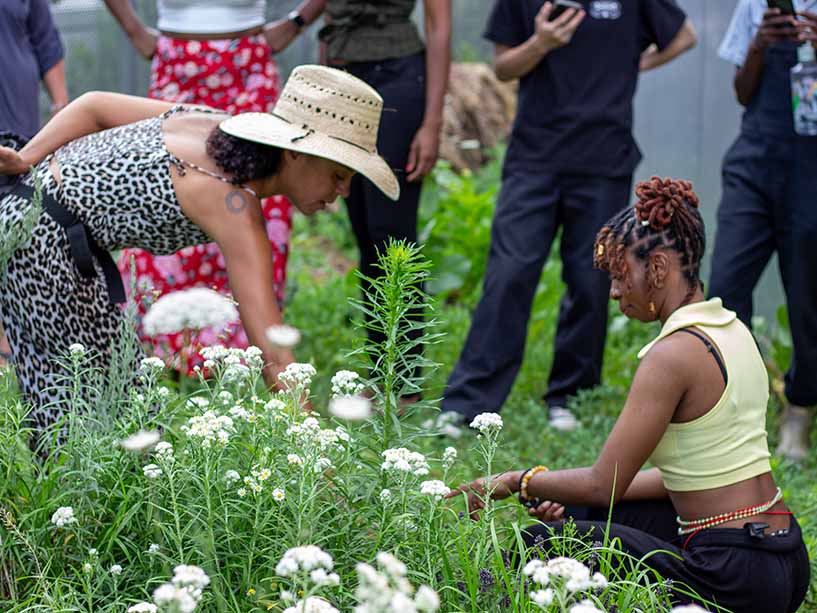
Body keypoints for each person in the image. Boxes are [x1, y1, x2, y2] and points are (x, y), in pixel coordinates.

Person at [448, 178, 810, 613]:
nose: (615, 293)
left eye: (621, 276)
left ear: (657, 268)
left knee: (538, 546)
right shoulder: (732, 330)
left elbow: (604, 483)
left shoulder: (671, 355)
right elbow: (680, 478)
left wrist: (514, 481)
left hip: (730, 578)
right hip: (783, 561)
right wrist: (570, 496)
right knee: (588, 516)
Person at [0, 65, 398, 441]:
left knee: (132, 410)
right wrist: (316, 454)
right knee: (73, 411)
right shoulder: (233, 205)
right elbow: (274, 355)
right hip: (35, 239)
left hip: (50, 233)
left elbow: (95, 106)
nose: (343, 191)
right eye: (339, 175)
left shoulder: (215, 129)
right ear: (294, 152)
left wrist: (27, 158)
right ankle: (61, 511)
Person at [439, 0, 697, 431]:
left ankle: (570, 397)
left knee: (590, 277)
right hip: (533, 160)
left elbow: (684, 36)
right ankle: (470, 403)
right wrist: (541, 43)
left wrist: (631, 67)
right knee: (509, 273)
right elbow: (503, 67)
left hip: (603, 161)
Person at [103, 0, 326, 374]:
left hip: (248, 65)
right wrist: (134, 30)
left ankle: (248, 354)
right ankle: (162, 355)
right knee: (169, 190)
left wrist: (298, 21)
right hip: (176, 62)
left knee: (254, 199)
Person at [317, 0, 452, 402]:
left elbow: (439, 25)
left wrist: (432, 123)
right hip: (341, 79)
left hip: (397, 75)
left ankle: (404, 378)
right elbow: (327, 17)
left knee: (391, 229)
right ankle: (381, 371)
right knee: (361, 227)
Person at [708, 1, 817, 462]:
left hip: (812, 170)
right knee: (725, 288)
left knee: (809, 299)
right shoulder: (757, 4)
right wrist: (760, 43)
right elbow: (741, 90)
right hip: (755, 159)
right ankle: (732, 409)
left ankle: (800, 406)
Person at [0, 0, 68, 368]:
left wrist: (62, 109)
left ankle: (13, 345)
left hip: (18, 128)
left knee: (17, 233)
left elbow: (46, 41)